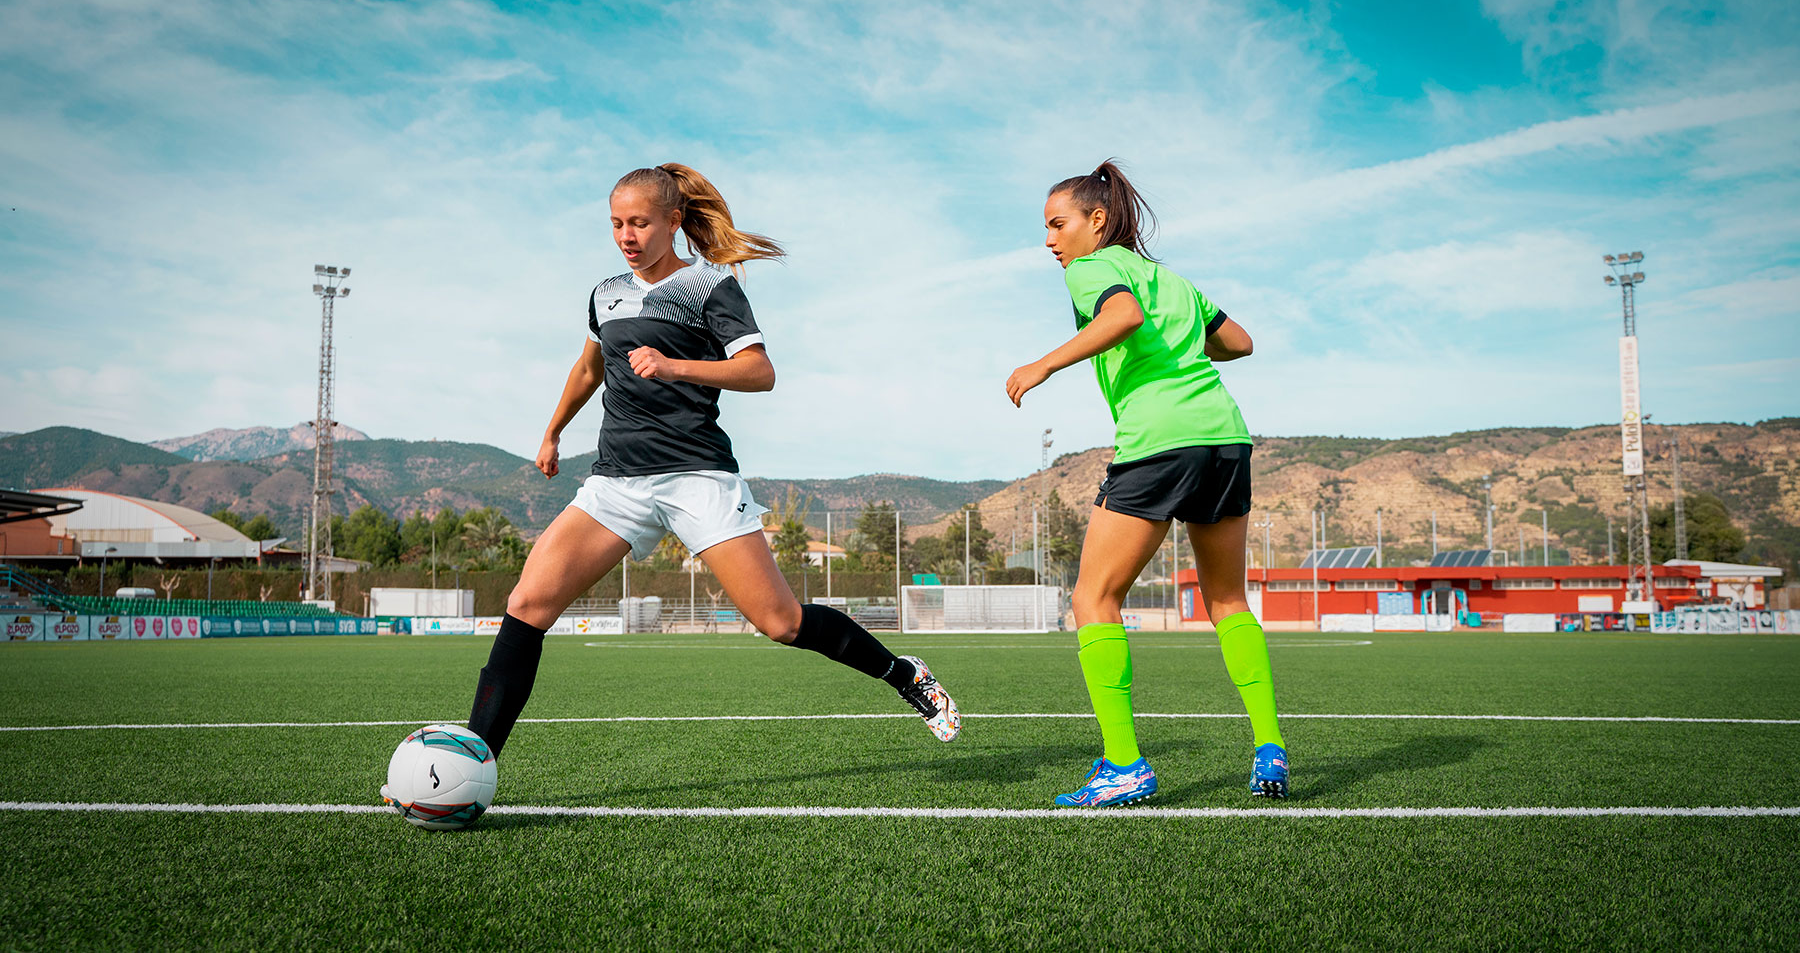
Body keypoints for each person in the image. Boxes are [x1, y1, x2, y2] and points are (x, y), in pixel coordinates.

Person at [453, 163, 959, 769]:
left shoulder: (711, 285)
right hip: (615, 481)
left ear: (673, 221)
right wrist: (552, 431)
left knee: (780, 621)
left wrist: (674, 365)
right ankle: (472, 763)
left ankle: (902, 673)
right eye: (616, 223)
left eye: (639, 222)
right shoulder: (605, 293)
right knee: (527, 605)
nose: (626, 235)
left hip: (698, 477)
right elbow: (588, 369)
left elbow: (760, 372)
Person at [1005, 160, 1285, 807]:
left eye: (1058, 224)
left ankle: (1125, 763)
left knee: (1093, 598)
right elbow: (1238, 342)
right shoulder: (1171, 279)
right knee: (1227, 601)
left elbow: (1124, 316)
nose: (1050, 240)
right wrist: (1182, 345)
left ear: (1096, 221)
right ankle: (1269, 744)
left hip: (1161, 440)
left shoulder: (1092, 268)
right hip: (1225, 437)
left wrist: (1043, 363)